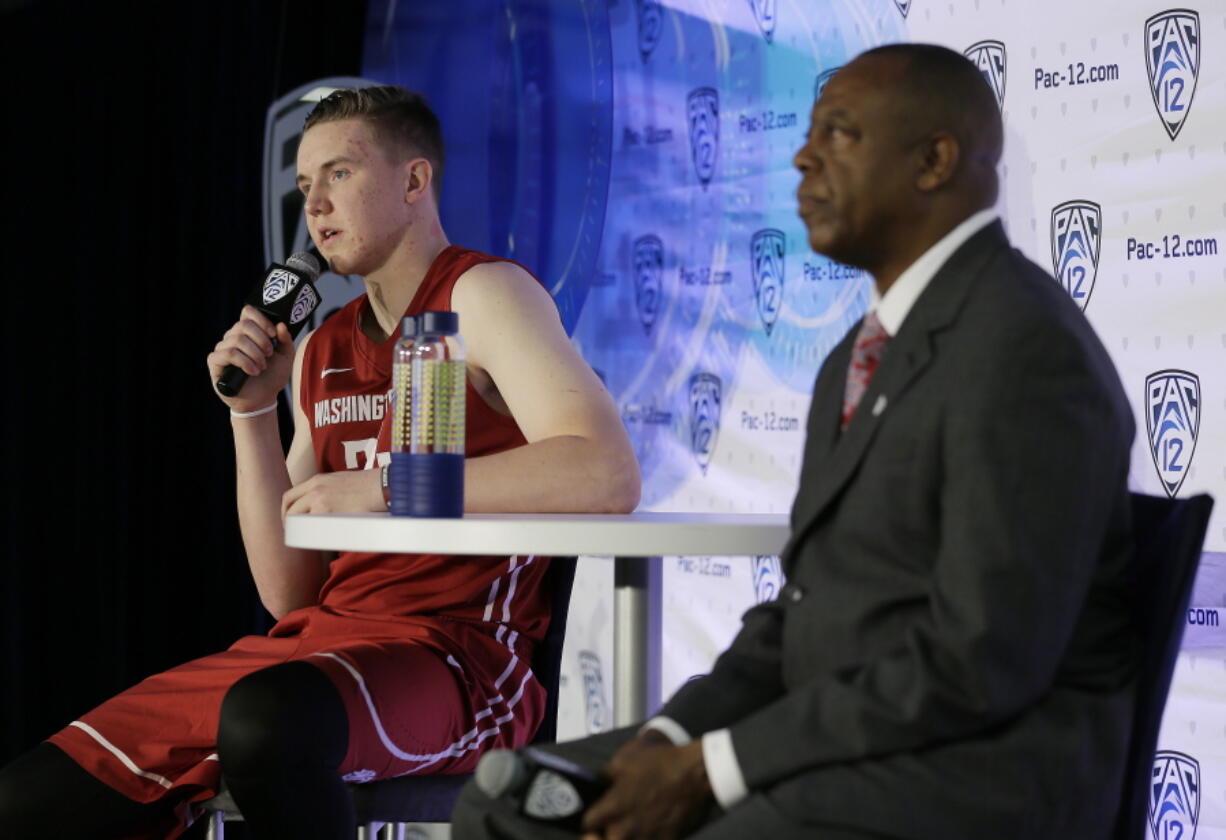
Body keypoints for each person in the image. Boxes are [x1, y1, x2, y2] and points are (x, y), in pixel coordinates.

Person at [453, 43, 1137, 840]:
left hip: (983, 769)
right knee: (502, 808)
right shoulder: (861, 353)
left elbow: (977, 661)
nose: (803, 156)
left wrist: (715, 768)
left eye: (839, 134)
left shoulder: (1022, 347)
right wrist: (669, 740)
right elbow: (805, 610)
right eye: (810, 131)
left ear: (935, 161)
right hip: (853, 740)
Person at [0, 86, 640, 839]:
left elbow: (605, 473)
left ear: (413, 181)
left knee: (269, 723)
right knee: (32, 799)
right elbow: (289, 592)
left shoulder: (482, 294)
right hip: (318, 643)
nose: (316, 205)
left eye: (340, 173)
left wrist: (386, 488)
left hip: (456, 657)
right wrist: (250, 413)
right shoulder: (323, 347)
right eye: (306, 186)